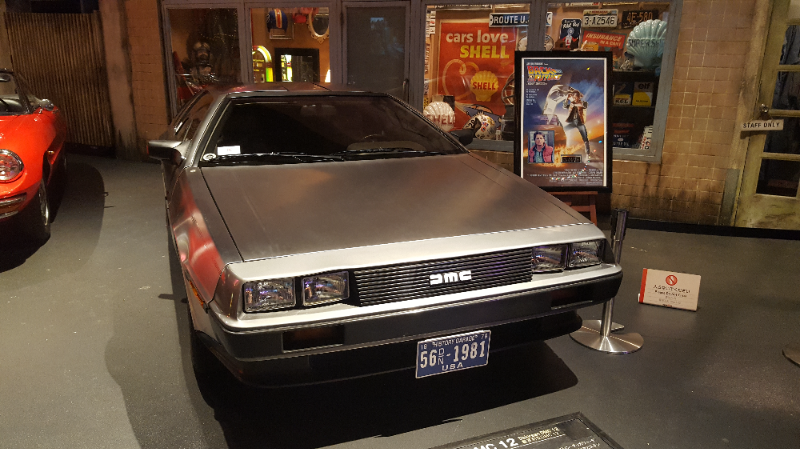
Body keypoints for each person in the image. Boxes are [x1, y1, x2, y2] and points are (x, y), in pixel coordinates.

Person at [563, 89, 592, 155]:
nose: (574, 98)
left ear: (579, 97)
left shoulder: (583, 103)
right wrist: (567, 99)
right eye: (574, 97)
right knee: (563, 129)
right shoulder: (572, 104)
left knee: (585, 137)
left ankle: (588, 152)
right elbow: (565, 106)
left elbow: (584, 105)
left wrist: (575, 105)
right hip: (573, 122)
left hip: (580, 123)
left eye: (576, 96)